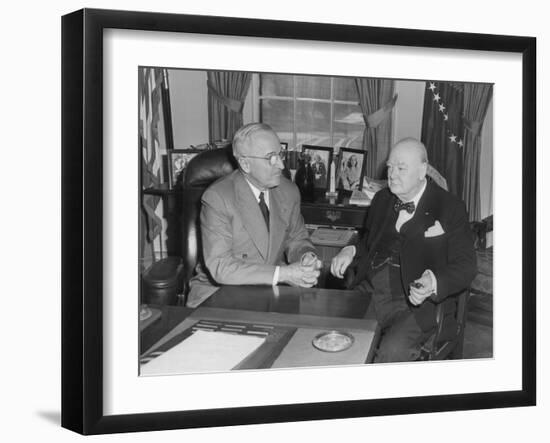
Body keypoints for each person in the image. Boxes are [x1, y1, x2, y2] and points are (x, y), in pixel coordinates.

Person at [330, 138, 476, 362]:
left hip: (417, 303)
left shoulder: (450, 207)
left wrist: (433, 282)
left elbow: (466, 266)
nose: (392, 174)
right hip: (371, 291)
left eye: (401, 168)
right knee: (335, 334)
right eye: (390, 167)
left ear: (422, 171)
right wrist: (350, 250)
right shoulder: (382, 199)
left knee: (392, 353)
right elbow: (367, 241)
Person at [187, 122, 322, 308]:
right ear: (245, 163)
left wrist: (306, 257)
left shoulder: (288, 191)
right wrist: (284, 274)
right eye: (270, 158)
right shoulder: (218, 197)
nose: (281, 165)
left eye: (280, 154)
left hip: (270, 292)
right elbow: (221, 267)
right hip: (218, 293)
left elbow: (297, 239)